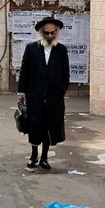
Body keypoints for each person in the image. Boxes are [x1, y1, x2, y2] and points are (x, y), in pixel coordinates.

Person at [17, 16, 70, 170]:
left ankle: (45, 158)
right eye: (46, 33)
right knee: (34, 126)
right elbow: (24, 71)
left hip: (54, 97)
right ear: (41, 33)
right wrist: (22, 91)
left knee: (49, 126)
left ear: (56, 33)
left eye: (52, 33)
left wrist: (61, 90)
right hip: (35, 95)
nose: (49, 36)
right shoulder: (31, 48)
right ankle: (33, 156)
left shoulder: (61, 50)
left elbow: (65, 74)